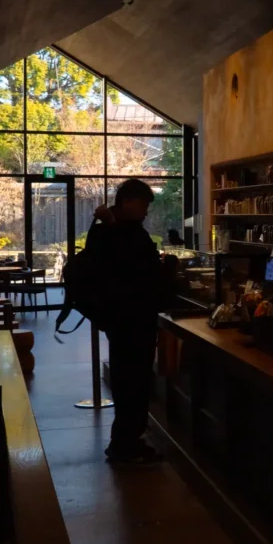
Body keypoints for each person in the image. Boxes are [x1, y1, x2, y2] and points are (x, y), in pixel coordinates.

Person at [91, 179, 172, 465]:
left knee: (129, 383)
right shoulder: (124, 233)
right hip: (133, 321)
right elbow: (138, 275)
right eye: (144, 203)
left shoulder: (108, 230)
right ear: (128, 201)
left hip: (120, 321)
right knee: (134, 384)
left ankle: (124, 441)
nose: (147, 210)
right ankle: (127, 445)